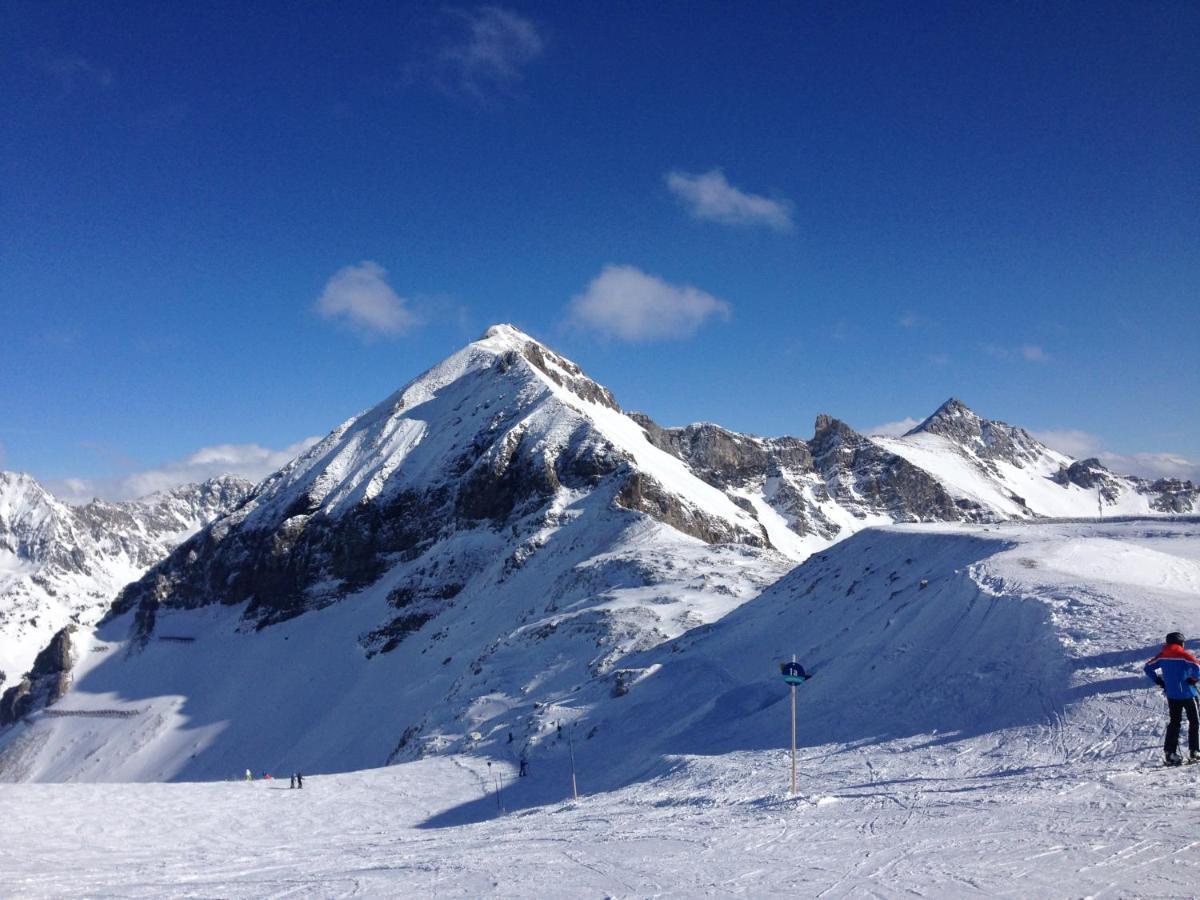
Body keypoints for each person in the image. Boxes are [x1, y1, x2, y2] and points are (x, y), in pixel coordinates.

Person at [1144, 631, 1200, 766]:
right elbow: (1197, 666)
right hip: (1188, 694)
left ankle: (1170, 753)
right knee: (1194, 721)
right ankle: (1195, 751)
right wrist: (1193, 679)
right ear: (1181, 642)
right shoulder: (1183, 655)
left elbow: (1147, 667)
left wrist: (1159, 681)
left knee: (1174, 722)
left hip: (1172, 695)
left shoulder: (1162, 655)